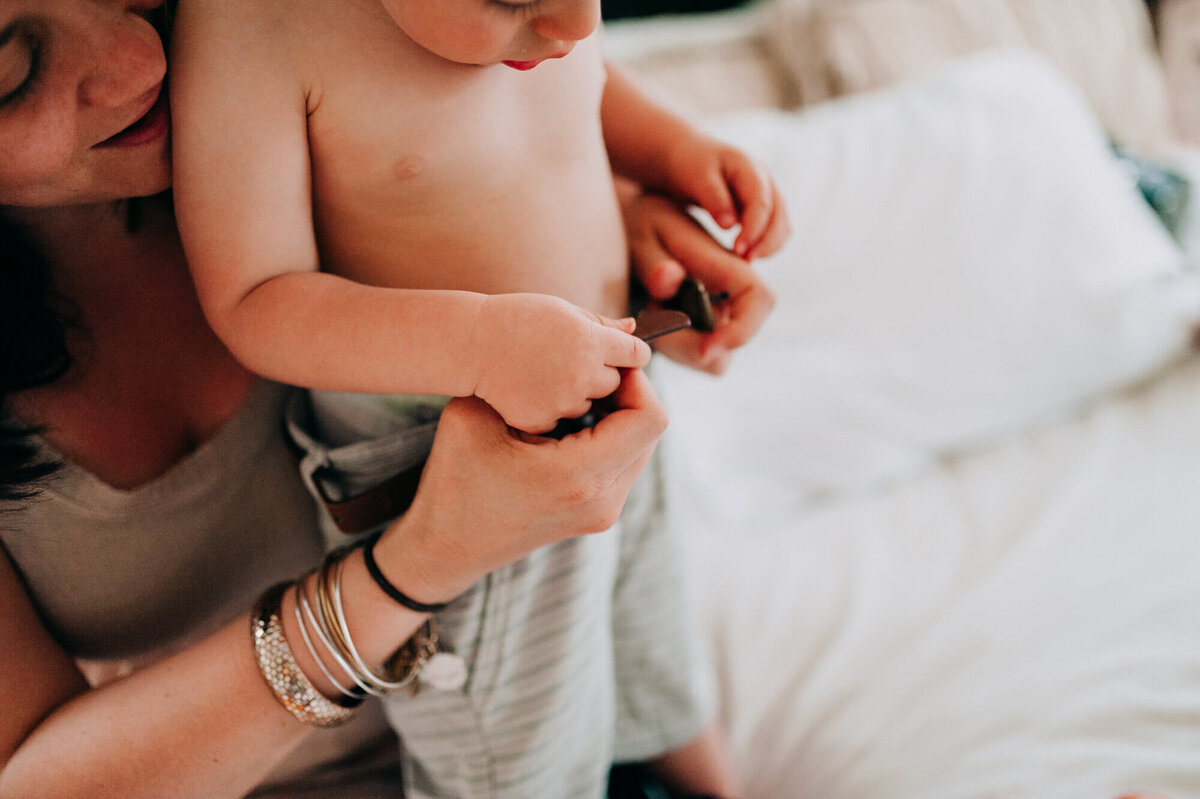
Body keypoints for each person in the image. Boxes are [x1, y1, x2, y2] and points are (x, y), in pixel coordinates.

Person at [0, 1, 773, 796]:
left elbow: (533, 91)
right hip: (332, 755)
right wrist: (425, 561)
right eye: (14, 78)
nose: (144, 59)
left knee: (655, 635)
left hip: (577, 430)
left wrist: (628, 204)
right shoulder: (260, 46)